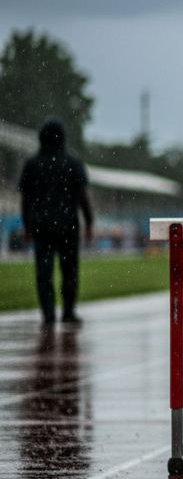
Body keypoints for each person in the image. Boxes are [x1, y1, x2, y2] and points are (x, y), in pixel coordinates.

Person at [18, 118, 94, 324]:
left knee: (44, 272)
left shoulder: (32, 165)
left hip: (41, 226)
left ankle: (49, 314)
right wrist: (89, 222)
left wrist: (26, 226)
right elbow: (82, 196)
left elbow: (25, 199)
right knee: (69, 270)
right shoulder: (72, 163)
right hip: (67, 225)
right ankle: (68, 311)